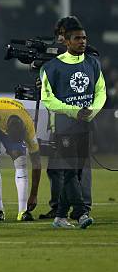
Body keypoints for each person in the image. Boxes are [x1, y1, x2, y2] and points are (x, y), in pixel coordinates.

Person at [40, 25, 106, 229]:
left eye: (84, 38)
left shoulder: (93, 63)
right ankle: (81, 213)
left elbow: (100, 92)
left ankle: (60, 217)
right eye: (77, 38)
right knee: (69, 171)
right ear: (66, 42)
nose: (82, 42)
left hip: (85, 126)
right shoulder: (52, 67)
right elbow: (47, 99)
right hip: (65, 127)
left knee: (76, 172)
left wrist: (91, 111)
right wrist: (73, 111)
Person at [0, 97, 42, 222]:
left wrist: (34, 194)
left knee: (21, 162)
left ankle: (22, 212)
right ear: (7, 129)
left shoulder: (29, 127)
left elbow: (37, 163)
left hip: (9, 119)